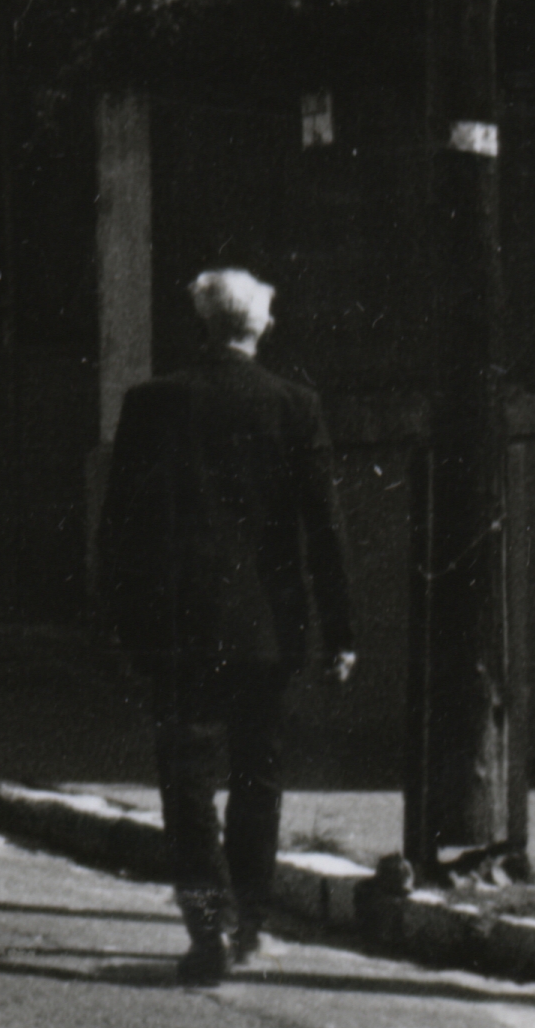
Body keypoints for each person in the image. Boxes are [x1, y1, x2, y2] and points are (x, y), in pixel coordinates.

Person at [98, 266, 357, 986]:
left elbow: (119, 526)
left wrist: (117, 625)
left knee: (186, 780)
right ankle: (249, 921)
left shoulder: (151, 404)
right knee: (258, 776)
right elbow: (323, 532)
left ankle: (206, 926)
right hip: (268, 632)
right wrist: (341, 632)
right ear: (261, 326)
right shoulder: (295, 407)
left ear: (201, 325)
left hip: (178, 627)